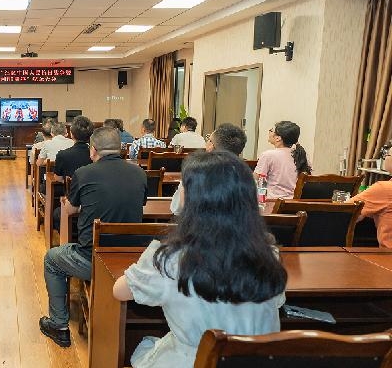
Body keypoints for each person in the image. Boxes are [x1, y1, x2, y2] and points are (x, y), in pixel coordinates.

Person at [113, 151, 287, 368]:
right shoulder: (268, 254)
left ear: (193, 198)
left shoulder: (170, 259)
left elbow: (119, 291)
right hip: (258, 361)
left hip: (194, 361)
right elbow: (277, 303)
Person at [39, 127, 147, 348]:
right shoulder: (139, 173)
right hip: (131, 260)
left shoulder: (84, 173)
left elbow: (70, 210)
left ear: (93, 150)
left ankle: (59, 325)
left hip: (92, 259)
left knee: (52, 259)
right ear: (120, 148)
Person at [170, 123, 248, 215]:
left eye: (208, 139)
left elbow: (177, 208)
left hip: (197, 223)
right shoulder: (247, 176)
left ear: (211, 146)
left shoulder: (194, 171)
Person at [50, 116, 95, 230]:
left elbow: (57, 178)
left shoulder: (63, 155)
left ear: (71, 134)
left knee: (56, 213)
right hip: (93, 201)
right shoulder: (95, 156)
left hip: (71, 199)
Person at [254, 121, 311, 199]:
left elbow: (256, 180)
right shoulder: (302, 155)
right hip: (294, 204)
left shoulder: (268, 155)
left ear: (278, 138)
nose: (269, 132)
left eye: (271, 130)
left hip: (273, 203)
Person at [349, 147, 392, 247]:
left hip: (387, 254)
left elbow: (345, 211)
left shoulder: (384, 189)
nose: (385, 158)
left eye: (387, 155)